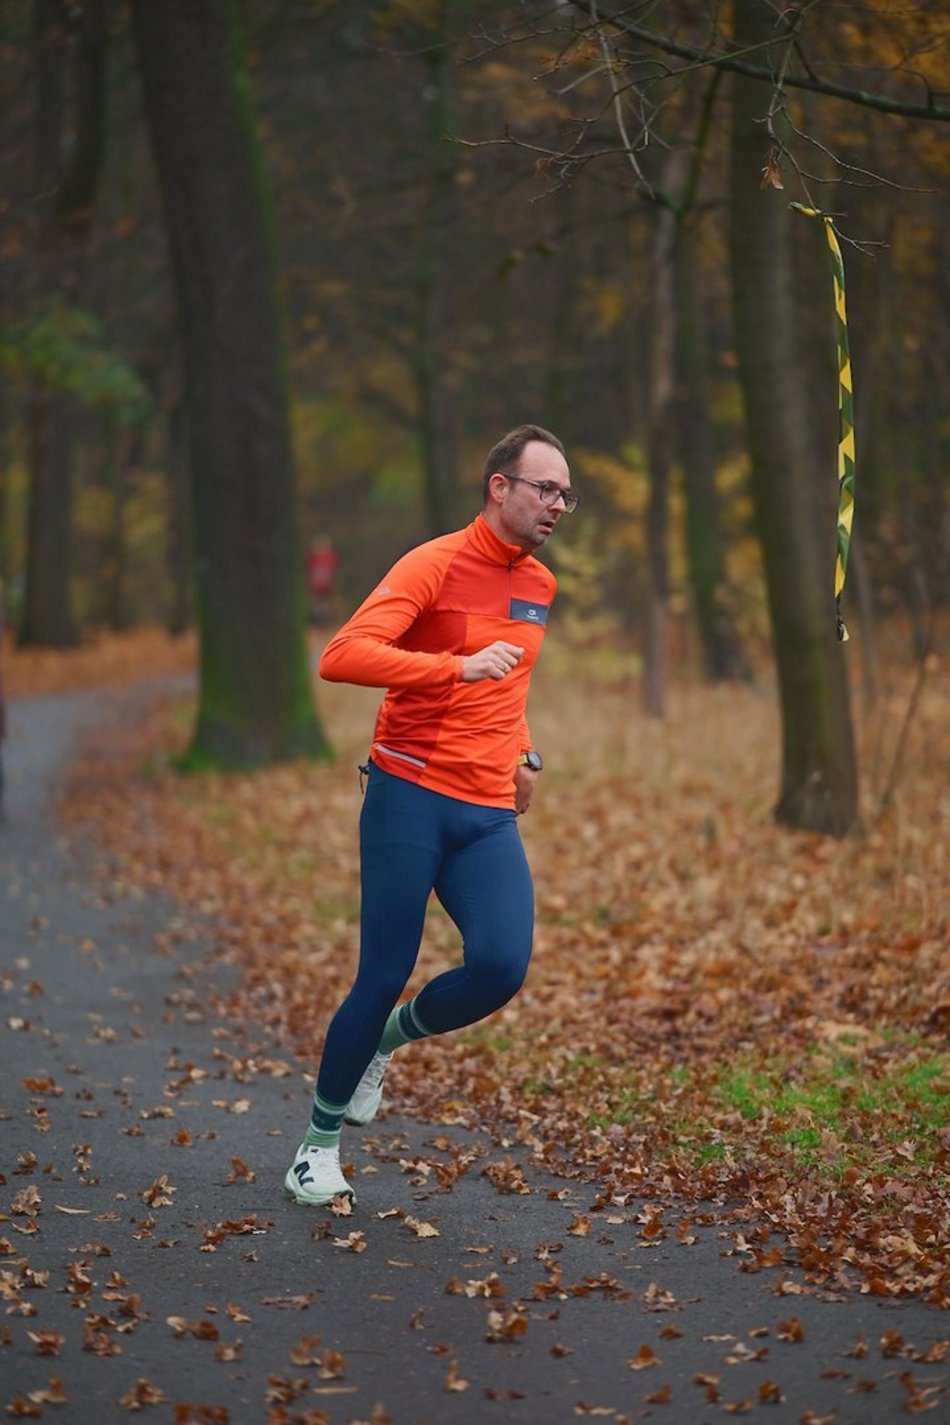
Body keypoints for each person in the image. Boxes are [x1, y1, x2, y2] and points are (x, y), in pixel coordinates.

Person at [285, 424, 579, 1206]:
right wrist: (452, 667)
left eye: (565, 493)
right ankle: (316, 1145)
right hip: (408, 792)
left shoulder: (542, 585)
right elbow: (342, 654)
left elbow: (507, 687)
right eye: (546, 488)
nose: (558, 503)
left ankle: (390, 1039)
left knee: (500, 964)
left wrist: (525, 754)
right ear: (500, 487)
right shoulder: (434, 562)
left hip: (485, 809)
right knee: (381, 970)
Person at [307, 534, 339, 625]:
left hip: (324, 583)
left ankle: (325, 619)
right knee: (319, 601)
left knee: (324, 601)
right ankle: (319, 619)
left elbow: (333, 568)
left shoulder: (327, 556)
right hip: (319, 583)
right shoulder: (316, 557)